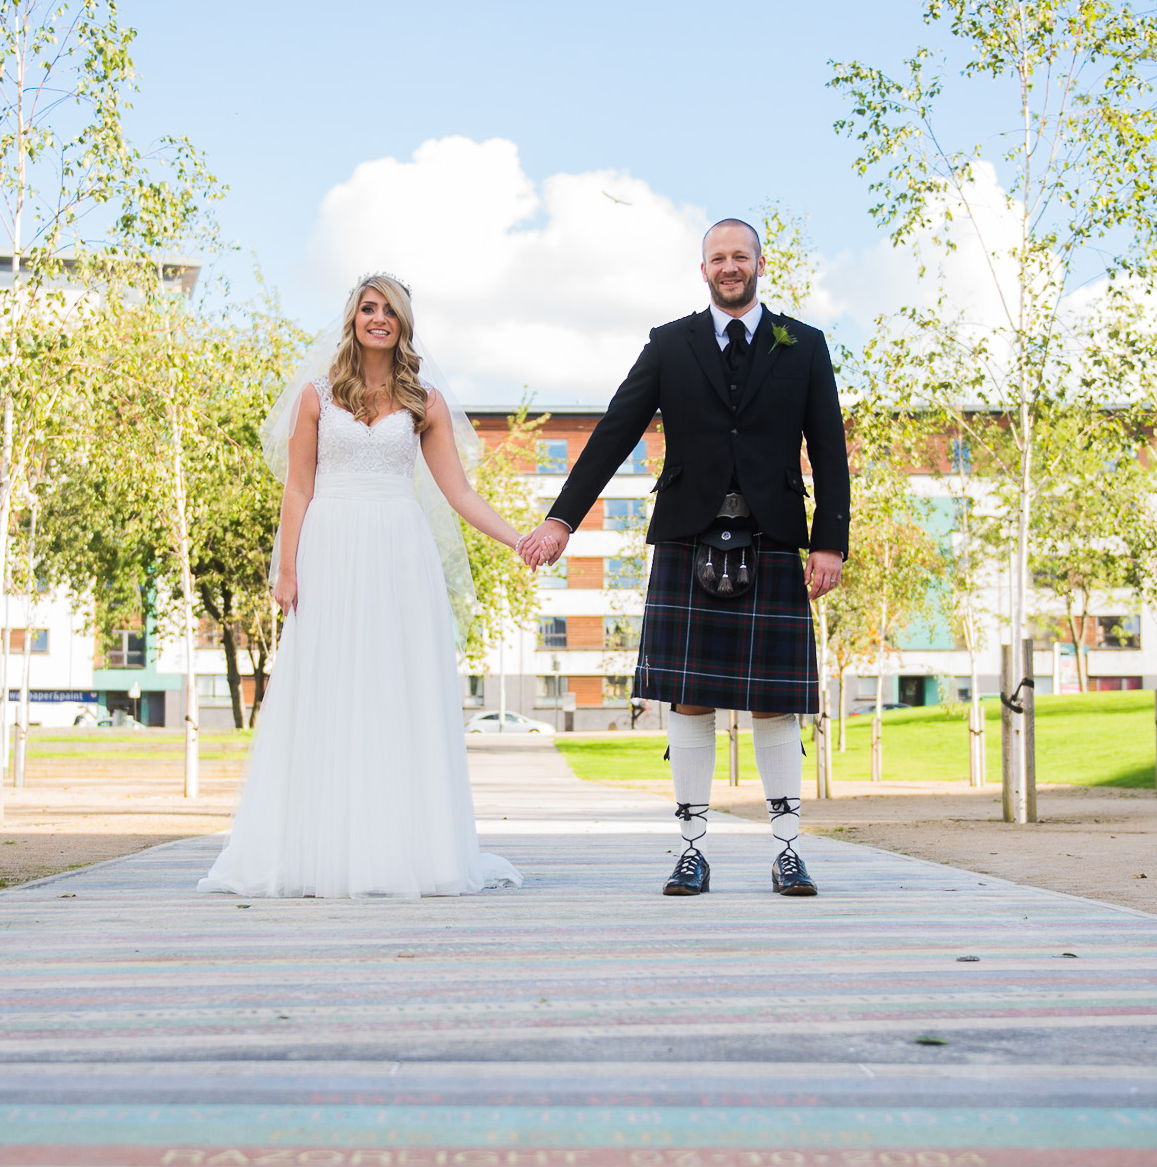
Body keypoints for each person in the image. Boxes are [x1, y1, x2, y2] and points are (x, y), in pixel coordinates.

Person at [521, 219, 849, 898]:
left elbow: (828, 449)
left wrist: (829, 541)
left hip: (773, 537)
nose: (728, 267)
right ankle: (691, 851)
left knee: (774, 707)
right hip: (685, 538)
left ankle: (787, 850)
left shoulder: (805, 346)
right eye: (716, 258)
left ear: (760, 263)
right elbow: (615, 430)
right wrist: (561, 520)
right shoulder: (670, 344)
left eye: (739, 256)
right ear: (702, 269)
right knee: (689, 702)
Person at [199, 273, 523, 901]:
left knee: (395, 691)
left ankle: (407, 849)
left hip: (400, 553)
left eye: (390, 311)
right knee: (330, 688)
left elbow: (458, 493)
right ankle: (320, 849)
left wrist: (520, 541)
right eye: (368, 308)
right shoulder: (317, 397)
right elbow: (298, 487)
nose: (378, 318)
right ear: (352, 318)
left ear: (404, 324)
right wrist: (286, 568)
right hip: (332, 550)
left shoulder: (423, 401)